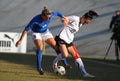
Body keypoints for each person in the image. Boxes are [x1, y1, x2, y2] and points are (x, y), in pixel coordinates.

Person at [16, 6, 71, 75]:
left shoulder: (50, 16)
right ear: (43, 16)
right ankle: (39, 68)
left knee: (56, 47)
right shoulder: (35, 19)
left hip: (45, 32)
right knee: (40, 47)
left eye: (49, 17)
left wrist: (63, 16)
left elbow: (57, 13)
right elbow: (26, 29)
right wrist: (20, 40)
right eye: (47, 17)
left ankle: (65, 64)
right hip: (36, 32)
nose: (49, 18)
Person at [53, 10, 98, 78]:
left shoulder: (81, 24)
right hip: (61, 38)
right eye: (86, 22)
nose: (85, 23)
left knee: (76, 56)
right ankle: (54, 62)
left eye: (87, 23)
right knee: (65, 55)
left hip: (68, 40)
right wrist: (64, 21)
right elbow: (64, 18)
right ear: (83, 17)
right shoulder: (75, 18)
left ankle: (84, 73)